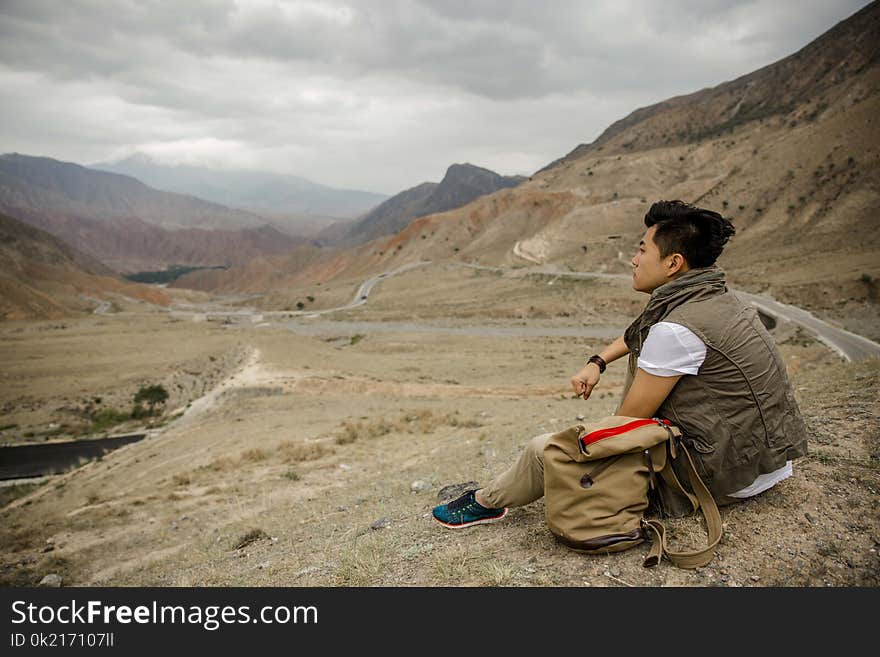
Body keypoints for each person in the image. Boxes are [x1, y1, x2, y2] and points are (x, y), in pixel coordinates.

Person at [433, 200, 808, 529]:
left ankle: (485, 502)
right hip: (766, 462)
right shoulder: (720, 299)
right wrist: (597, 361)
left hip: (723, 476)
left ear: (673, 263)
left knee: (542, 449)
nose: (634, 259)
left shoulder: (676, 330)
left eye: (642, 249)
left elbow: (625, 428)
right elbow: (639, 332)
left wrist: (573, 445)